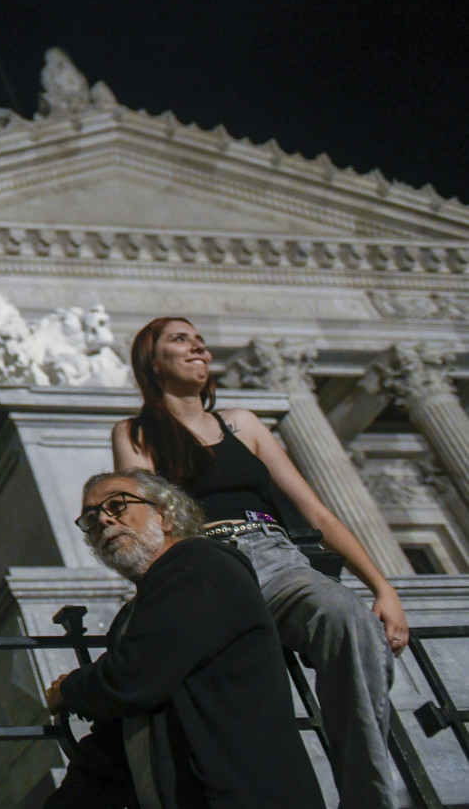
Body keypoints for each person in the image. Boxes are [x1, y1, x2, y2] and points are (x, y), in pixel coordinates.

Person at [112, 317, 403, 809]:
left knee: (346, 618)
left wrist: (382, 587)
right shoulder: (135, 434)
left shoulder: (242, 423)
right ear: (152, 363)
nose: (198, 346)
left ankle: (370, 798)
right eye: (180, 340)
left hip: (275, 557)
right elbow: (145, 521)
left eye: (199, 339)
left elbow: (317, 512)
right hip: (205, 568)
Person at [45, 470, 326, 809]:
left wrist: (69, 690)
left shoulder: (198, 565)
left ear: (164, 515)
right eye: (91, 518)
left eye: (117, 505)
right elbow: (116, 736)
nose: (103, 520)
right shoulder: (137, 612)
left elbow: (134, 677)